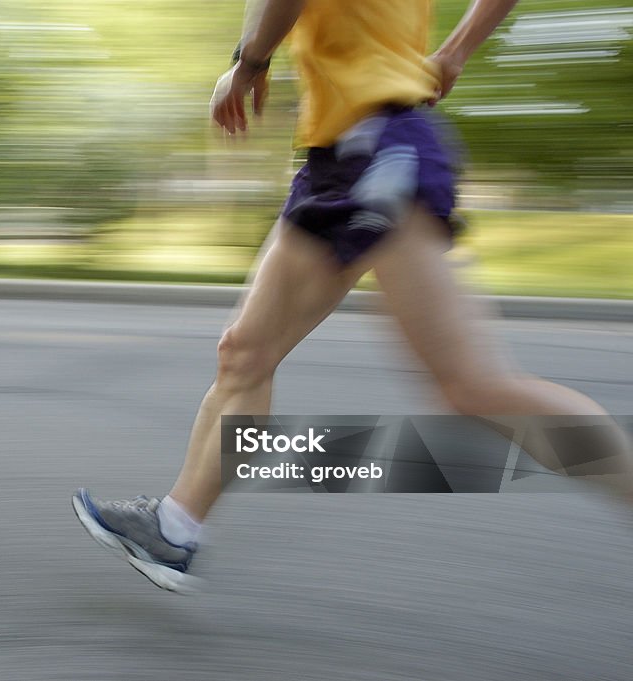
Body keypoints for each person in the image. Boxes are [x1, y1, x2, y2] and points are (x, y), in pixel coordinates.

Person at [72, 0, 633, 594]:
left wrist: (249, 61)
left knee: (473, 387)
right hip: (336, 154)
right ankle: (175, 527)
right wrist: (454, 53)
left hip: (378, 144)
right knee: (244, 353)